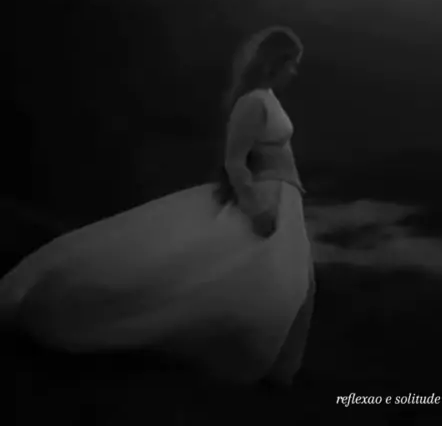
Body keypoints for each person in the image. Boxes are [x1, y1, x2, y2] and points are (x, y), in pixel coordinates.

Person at [0, 26, 315, 386]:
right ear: (276, 62)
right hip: (265, 197)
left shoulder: (268, 98)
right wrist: (255, 207)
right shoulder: (253, 102)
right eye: (292, 64)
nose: (295, 72)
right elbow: (235, 161)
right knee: (247, 276)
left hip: (283, 196)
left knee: (288, 281)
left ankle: (274, 364)